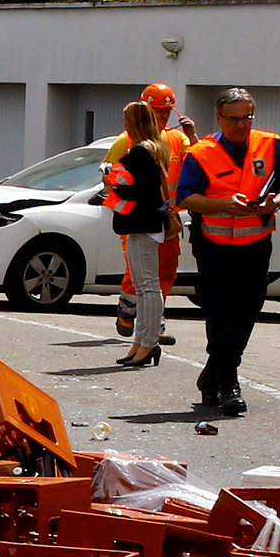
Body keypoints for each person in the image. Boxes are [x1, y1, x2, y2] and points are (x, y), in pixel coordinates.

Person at [172, 88, 280, 417]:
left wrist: (276, 201)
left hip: (256, 243)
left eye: (247, 118)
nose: (241, 125)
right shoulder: (201, 152)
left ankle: (213, 373)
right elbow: (185, 198)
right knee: (220, 312)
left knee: (246, 312)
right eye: (233, 119)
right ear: (219, 118)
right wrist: (223, 205)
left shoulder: (271, 144)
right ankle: (228, 380)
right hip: (213, 246)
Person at [107, 99, 175, 367]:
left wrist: (114, 184)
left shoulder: (141, 152)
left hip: (142, 222)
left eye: (126, 121)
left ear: (135, 123)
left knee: (146, 285)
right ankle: (142, 341)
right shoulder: (154, 148)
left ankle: (148, 343)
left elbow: (138, 190)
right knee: (144, 285)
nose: (124, 125)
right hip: (145, 223)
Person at [118, 81, 188, 337]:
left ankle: (150, 333)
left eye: (166, 112)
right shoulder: (127, 142)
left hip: (162, 217)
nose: (162, 116)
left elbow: (196, 163)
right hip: (143, 219)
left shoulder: (174, 139)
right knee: (141, 278)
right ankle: (134, 319)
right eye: (158, 111)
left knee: (159, 277)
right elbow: (112, 178)